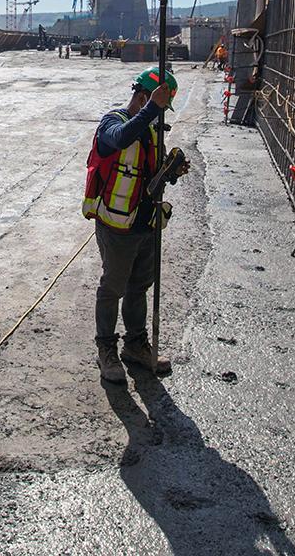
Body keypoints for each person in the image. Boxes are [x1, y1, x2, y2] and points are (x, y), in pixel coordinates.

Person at [82, 66, 187, 383]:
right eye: (156, 106)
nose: (159, 115)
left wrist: (171, 170)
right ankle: (106, 349)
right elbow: (118, 141)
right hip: (116, 226)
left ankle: (135, 345)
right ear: (143, 98)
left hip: (146, 224)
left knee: (139, 286)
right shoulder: (113, 122)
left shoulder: (153, 130)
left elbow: (148, 173)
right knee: (112, 288)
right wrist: (153, 108)